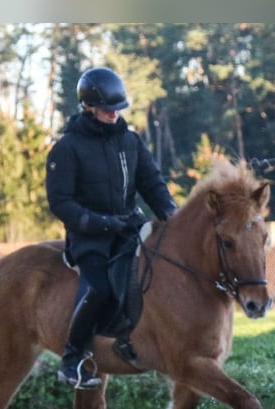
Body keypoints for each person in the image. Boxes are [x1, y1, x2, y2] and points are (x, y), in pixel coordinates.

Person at [45, 66, 177, 389]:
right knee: (100, 288)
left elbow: (152, 183)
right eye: (107, 110)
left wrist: (172, 215)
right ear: (88, 106)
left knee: (159, 272)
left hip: (129, 230)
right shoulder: (67, 148)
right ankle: (72, 358)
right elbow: (60, 203)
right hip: (89, 239)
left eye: (118, 109)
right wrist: (100, 223)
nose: (113, 115)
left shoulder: (130, 141)